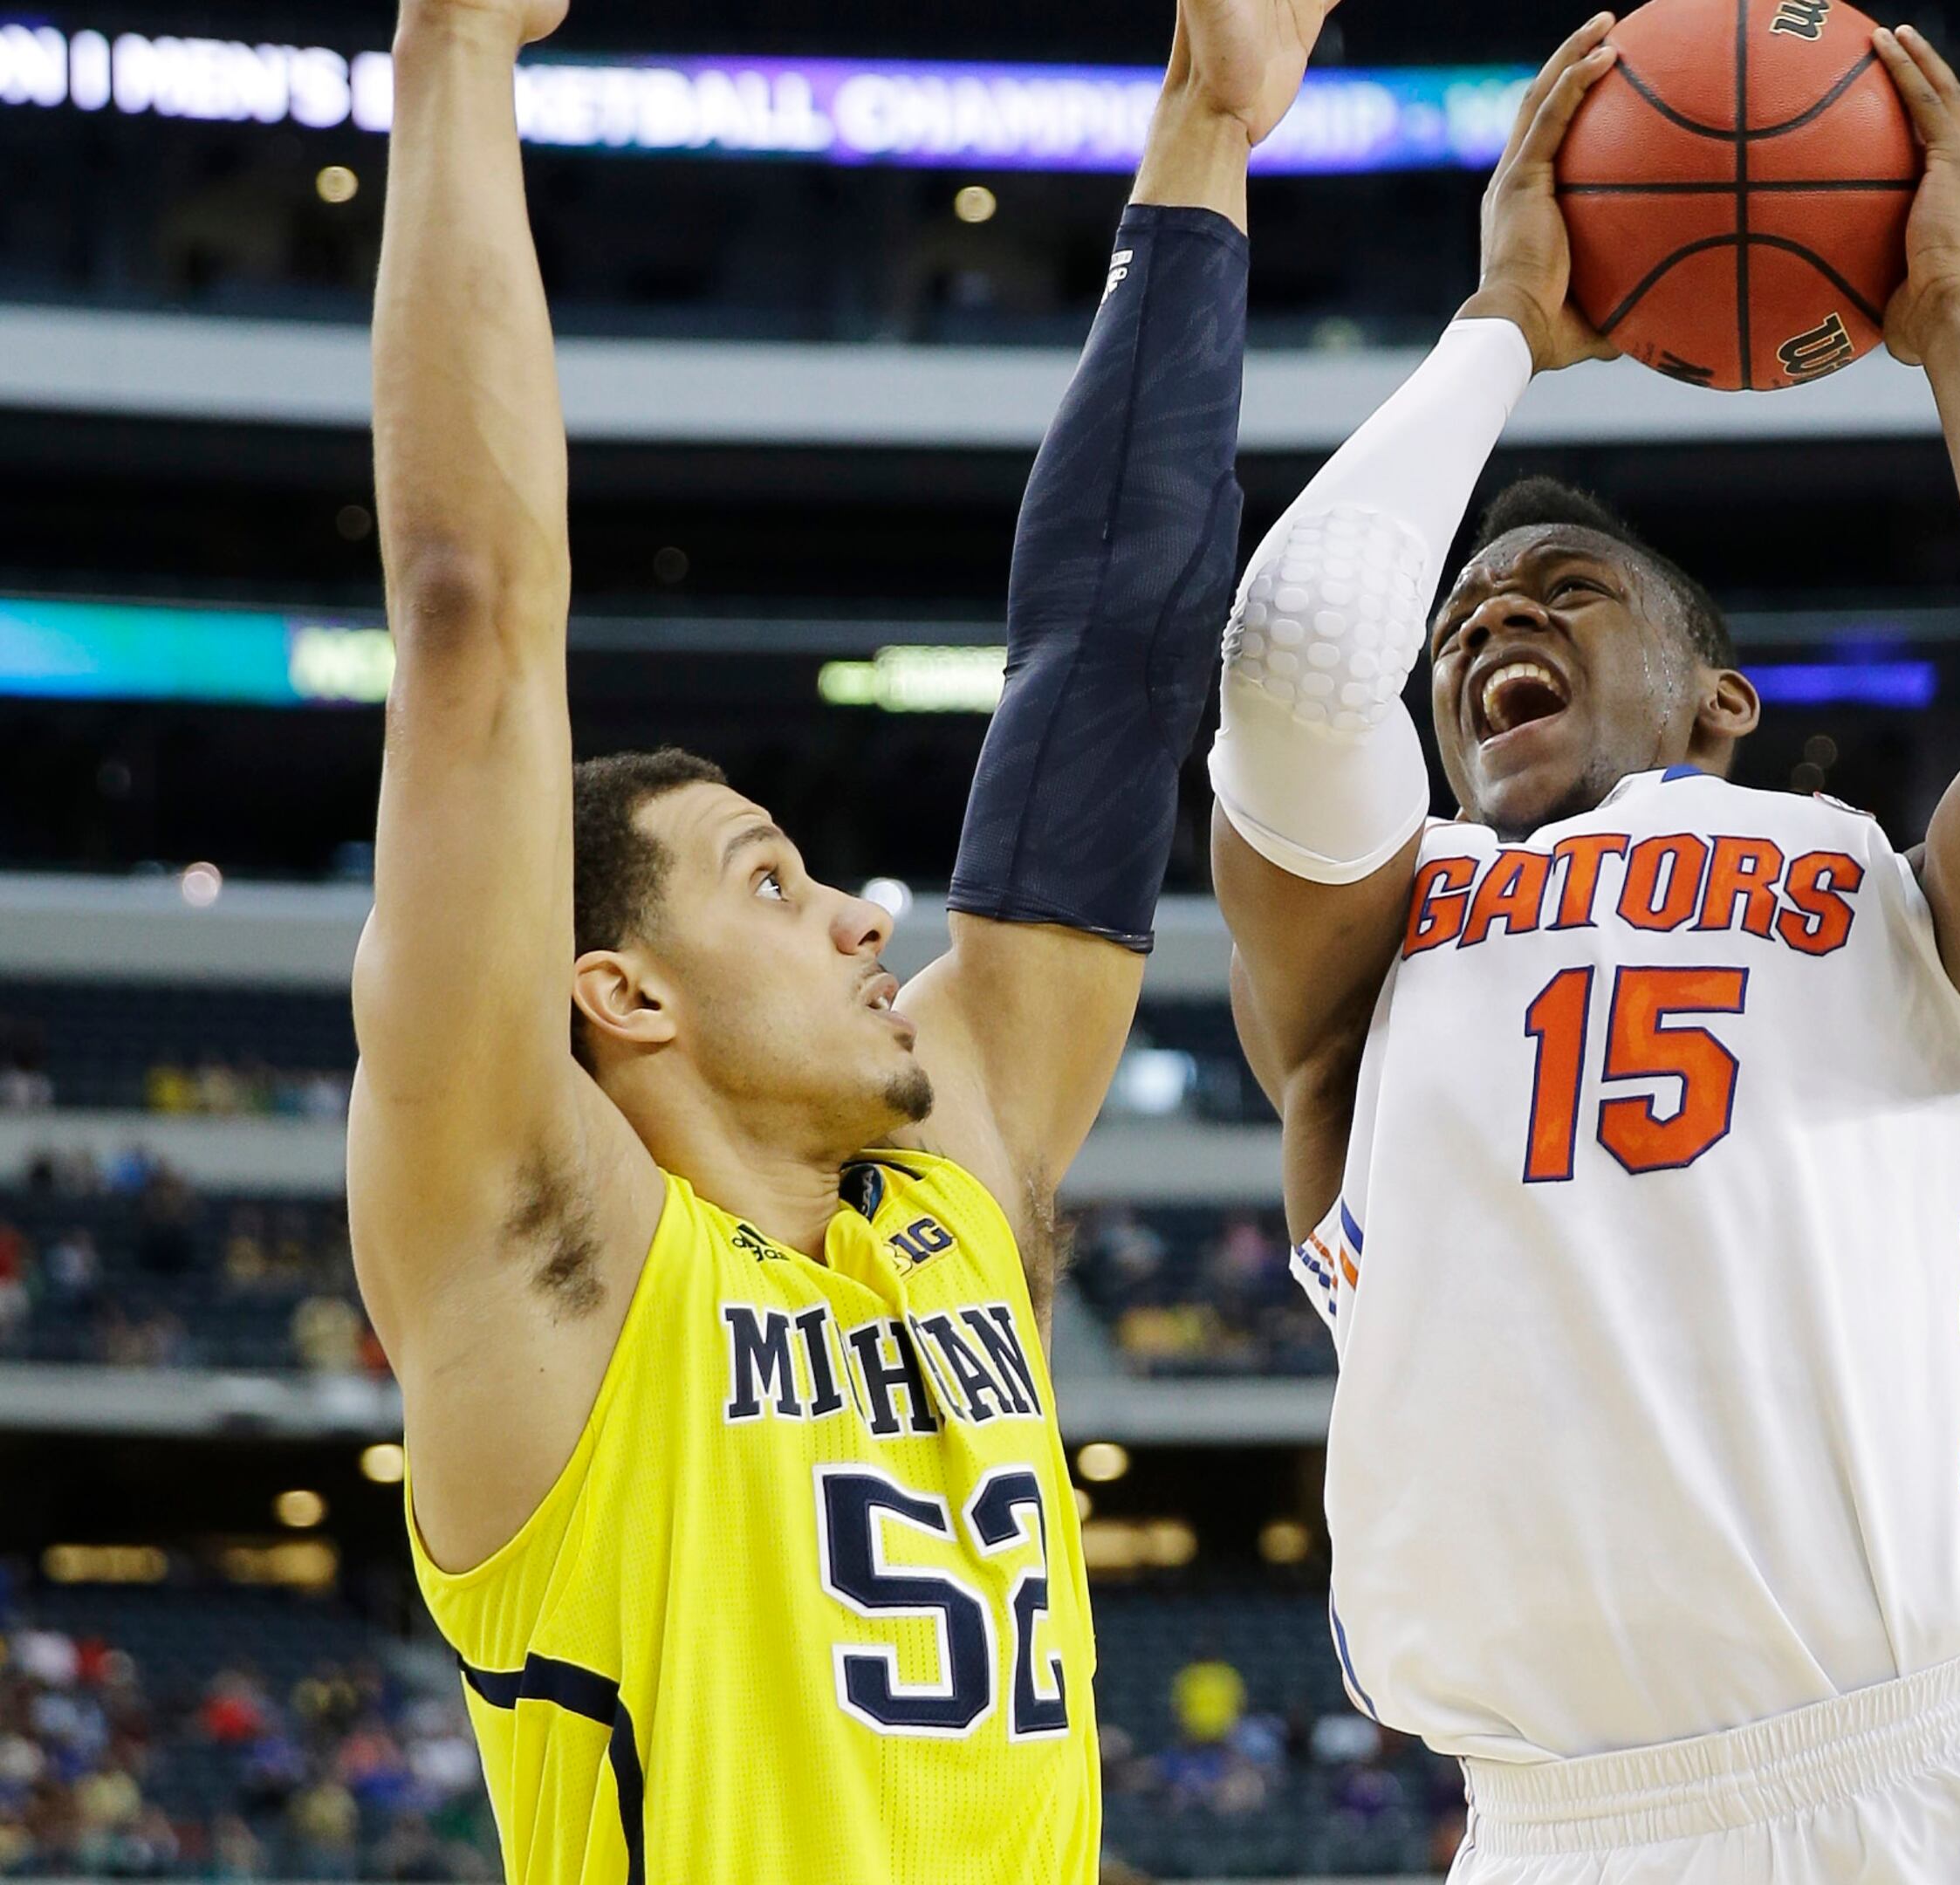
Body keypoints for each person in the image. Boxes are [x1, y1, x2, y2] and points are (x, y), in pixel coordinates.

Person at [342, 0, 1329, 1873]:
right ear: (617, 993)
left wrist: (1205, 133)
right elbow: (472, 620)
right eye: (769, 882)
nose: (868, 916)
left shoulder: (951, 1167)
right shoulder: (544, 1264)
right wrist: (457, 49)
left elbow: (1110, 664)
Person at [1211, 17, 1960, 1881]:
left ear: (1719, 697)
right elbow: (1293, 663)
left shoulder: (1890, 890)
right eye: (1467, 616)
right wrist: (1502, 320)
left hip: (1910, 1783)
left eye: (1567, 590)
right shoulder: (1370, 941)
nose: (1495, 617)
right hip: (1562, 1830)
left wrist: (1955, 309)